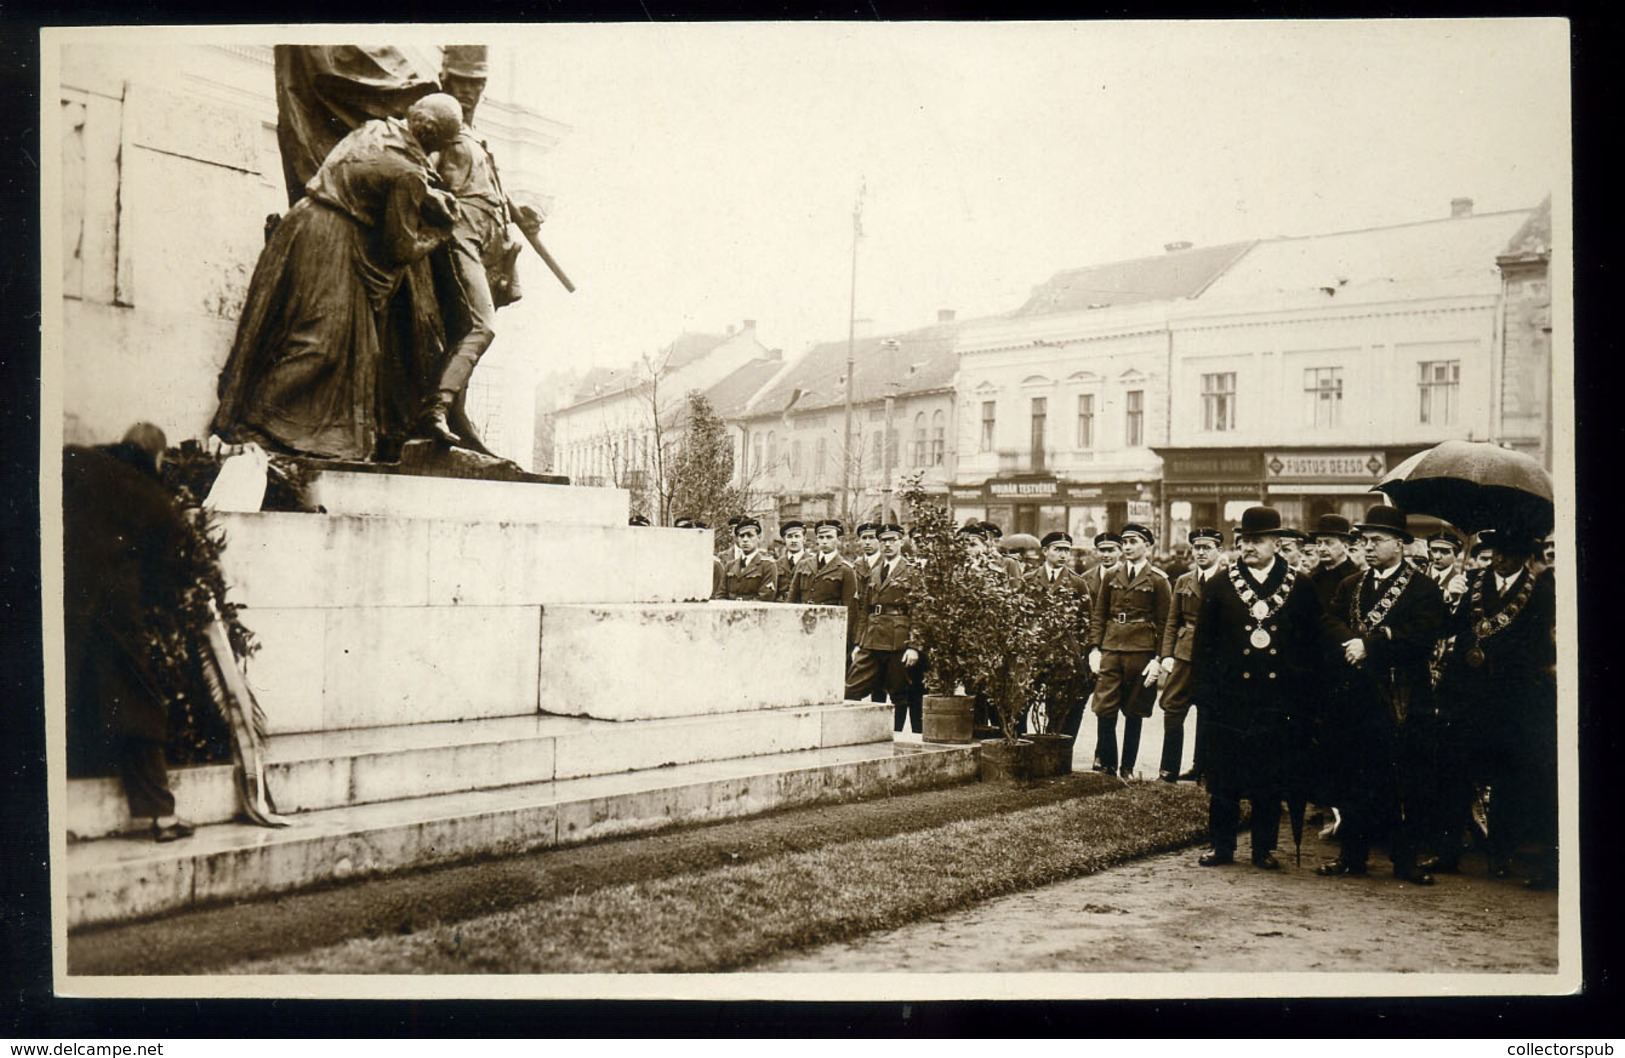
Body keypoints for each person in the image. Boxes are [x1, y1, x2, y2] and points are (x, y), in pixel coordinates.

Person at [212, 95, 465, 461]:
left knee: (332, 341)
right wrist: (439, 231)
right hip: (331, 239)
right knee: (321, 343)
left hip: (304, 223)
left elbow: (372, 171)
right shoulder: (409, 174)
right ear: (437, 141)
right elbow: (399, 248)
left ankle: (278, 424)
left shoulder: (376, 130)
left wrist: (425, 195)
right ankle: (255, 421)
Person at [64, 424, 196, 842]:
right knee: (140, 703)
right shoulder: (155, 503)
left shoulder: (75, 460)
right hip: (114, 616)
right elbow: (162, 581)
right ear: (158, 460)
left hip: (59, 604)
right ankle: (160, 816)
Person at [415, 46, 546, 449]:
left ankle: (455, 419)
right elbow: (416, 172)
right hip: (458, 239)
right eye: (461, 82)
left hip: (486, 244)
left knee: (461, 331)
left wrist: (518, 209)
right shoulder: (441, 128)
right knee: (479, 326)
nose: (470, 91)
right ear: (445, 81)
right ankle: (435, 408)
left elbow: (490, 190)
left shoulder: (477, 138)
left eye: (477, 83)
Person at [1315, 506, 1448, 885]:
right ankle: (1351, 857)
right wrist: (1352, 643)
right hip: (1358, 697)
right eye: (1364, 541)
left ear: (1400, 545)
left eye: (1377, 541)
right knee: (1356, 776)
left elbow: (1423, 637)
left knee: (1404, 781)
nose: (1368, 548)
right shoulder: (1352, 584)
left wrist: (1371, 645)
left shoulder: (1423, 588)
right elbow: (1330, 620)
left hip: (1402, 698)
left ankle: (1405, 862)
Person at [1191, 506, 1324, 870]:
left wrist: (1306, 698)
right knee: (1224, 779)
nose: (1249, 547)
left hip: (1278, 700)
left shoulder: (1300, 586)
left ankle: (1263, 849)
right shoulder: (1220, 584)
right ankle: (1222, 847)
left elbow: (1312, 647)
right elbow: (1204, 643)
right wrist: (1203, 693)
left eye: (1257, 540)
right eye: (1244, 540)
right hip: (1231, 699)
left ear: (1277, 544)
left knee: (1269, 779)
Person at [1433, 530, 1557, 887]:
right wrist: (1449, 599)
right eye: (1493, 553)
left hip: (1510, 699)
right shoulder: (1469, 582)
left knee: (1507, 780)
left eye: (1506, 553)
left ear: (1523, 556)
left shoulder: (1541, 592)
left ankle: (1499, 855)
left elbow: (1540, 649)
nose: (1498, 560)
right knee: (1453, 774)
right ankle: (1447, 852)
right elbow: (1445, 627)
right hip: (1465, 696)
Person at [1086, 523, 1170, 778]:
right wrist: (1094, 648)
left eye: (1134, 542)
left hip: (1141, 651)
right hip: (1111, 647)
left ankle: (1127, 768)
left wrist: (1159, 658)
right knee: (1104, 707)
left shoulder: (1158, 579)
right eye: (1126, 542)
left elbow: (1166, 622)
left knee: (1135, 710)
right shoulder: (1112, 576)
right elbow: (1099, 614)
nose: (1129, 547)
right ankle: (1109, 766)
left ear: (1147, 546)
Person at [1157, 527, 1223, 783]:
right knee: (1172, 707)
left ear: (1219, 550)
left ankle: (1203, 768)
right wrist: (1167, 654)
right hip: (1184, 653)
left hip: (1214, 654)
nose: (1201, 553)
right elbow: (1172, 620)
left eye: (1207, 548)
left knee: (1209, 710)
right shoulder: (1184, 581)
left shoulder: (1228, 580)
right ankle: (1168, 769)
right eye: (1197, 548)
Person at [845, 524, 923, 734]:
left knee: (898, 694)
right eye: (884, 541)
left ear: (901, 542)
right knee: (851, 687)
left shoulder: (912, 571)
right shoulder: (875, 571)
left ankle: (894, 737)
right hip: (872, 637)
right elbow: (864, 610)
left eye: (892, 540)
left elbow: (918, 610)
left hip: (898, 639)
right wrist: (858, 643)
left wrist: (914, 646)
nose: (887, 545)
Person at [1023, 531, 1094, 740]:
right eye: (1058, 549)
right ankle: (1021, 745)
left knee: (1059, 705)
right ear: (1045, 551)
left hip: (1063, 655)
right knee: (1023, 701)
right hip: (1034, 653)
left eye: (1066, 550)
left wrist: (1080, 652)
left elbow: (1086, 622)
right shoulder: (1029, 579)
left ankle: (1053, 748)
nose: (1063, 555)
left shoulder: (1077, 583)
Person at [794, 519, 860, 653]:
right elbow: (792, 597)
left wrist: (846, 639)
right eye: (821, 537)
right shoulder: (804, 565)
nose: (824, 541)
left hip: (829, 627)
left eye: (829, 537)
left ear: (838, 540)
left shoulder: (845, 569)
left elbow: (850, 609)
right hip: (803, 625)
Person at [720, 517, 778, 601]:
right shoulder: (730, 565)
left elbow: (765, 596)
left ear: (759, 537)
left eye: (750, 535)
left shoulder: (768, 565)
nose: (745, 540)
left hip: (754, 612)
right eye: (741, 536)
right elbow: (721, 594)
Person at [775, 520, 810, 602]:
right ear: (784, 539)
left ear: (804, 539)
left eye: (797, 536)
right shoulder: (777, 563)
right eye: (789, 537)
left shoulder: (812, 562)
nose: (793, 540)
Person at [1083, 531, 1123, 599]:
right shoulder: (1085, 578)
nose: (1106, 555)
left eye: (1111, 551)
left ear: (1121, 551)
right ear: (1096, 552)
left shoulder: (1129, 575)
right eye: (1102, 550)